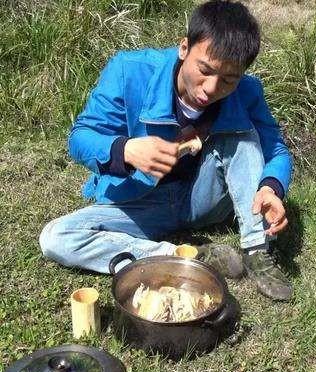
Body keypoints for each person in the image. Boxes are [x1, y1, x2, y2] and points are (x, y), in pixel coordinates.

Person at [38, 0, 294, 301]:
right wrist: (127, 150)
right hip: (140, 201)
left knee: (244, 135)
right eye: (205, 70)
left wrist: (270, 187)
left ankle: (257, 250)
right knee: (55, 237)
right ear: (184, 48)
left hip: (204, 200)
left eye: (228, 80)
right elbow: (79, 138)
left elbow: (276, 149)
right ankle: (181, 255)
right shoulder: (128, 72)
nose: (211, 89)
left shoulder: (248, 91)